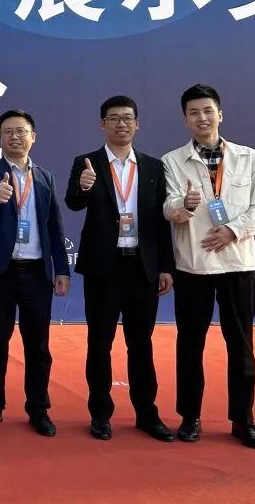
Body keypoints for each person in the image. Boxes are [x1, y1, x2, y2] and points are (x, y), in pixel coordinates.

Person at [161, 84, 255, 449]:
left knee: (241, 346)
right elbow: (167, 208)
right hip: (193, 267)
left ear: (220, 114)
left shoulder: (248, 157)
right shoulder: (172, 161)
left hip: (238, 265)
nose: (202, 118)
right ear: (185, 120)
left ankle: (243, 420)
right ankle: (190, 417)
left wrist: (232, 230)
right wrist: (185, 205)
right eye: (194, 112)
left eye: (208, 110)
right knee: (190, 345)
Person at [64, 95, 176, 442]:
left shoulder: (154, 167)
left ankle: (146, 413)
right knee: (100, 343)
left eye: (127, 118)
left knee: (141, 344)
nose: (121, 124)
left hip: (142, 268)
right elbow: (73, 203)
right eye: (113, 118)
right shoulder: (87, 162)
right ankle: (100, 414)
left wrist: (166, 266)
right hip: (104, 268)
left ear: (137, 124)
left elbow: (161, 222)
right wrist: (83, 187)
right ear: (103, 124)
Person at [0, 109, 70, 437]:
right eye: (8, 131)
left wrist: (62, 269)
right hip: (0, 272)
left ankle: (38, 409)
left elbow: (55, 227)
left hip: (37, 273)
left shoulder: (44, 177)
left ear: (33, 137)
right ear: (0, 137)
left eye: (21, 131)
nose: (15, 136)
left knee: (38, 346)